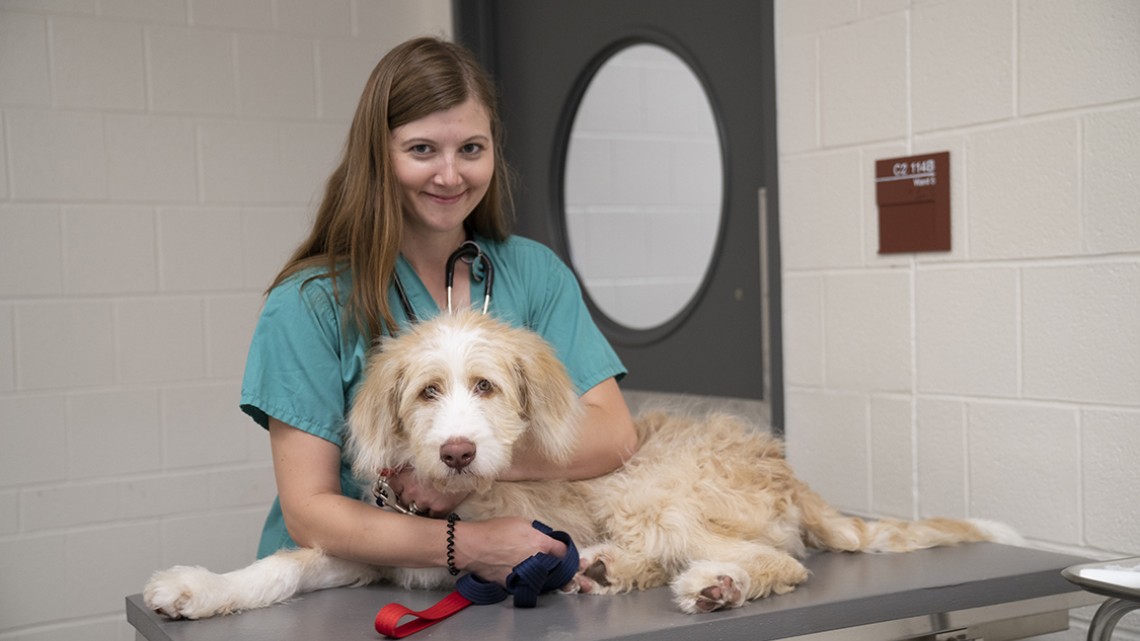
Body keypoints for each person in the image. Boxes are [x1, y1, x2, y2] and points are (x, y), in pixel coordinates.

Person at [239, 36, 638, 587]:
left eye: (471, 149)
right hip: (342, 584)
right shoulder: (310, 303)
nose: (451, 176)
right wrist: (466, 544)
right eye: (422, 149)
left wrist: (468, 463)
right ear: (378, 157)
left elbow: (613, 436)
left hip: (507, 577)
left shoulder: (536, 274)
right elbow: (310, 510)